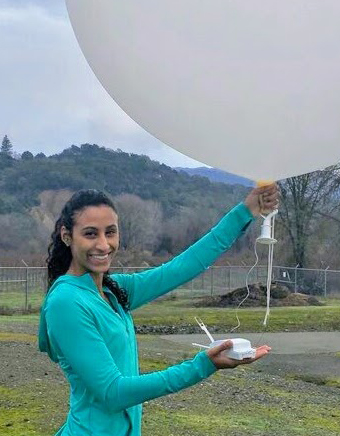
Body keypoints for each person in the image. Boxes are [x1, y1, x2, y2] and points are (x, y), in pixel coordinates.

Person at [38, 184, 279, 436]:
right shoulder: (66, 302)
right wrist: (202, 365)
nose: (103, 244)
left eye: (110, 232)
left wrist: (246, 210)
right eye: (90, 234)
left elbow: (184, 266)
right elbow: (113, 393)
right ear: (67, 236)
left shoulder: (113, 289)